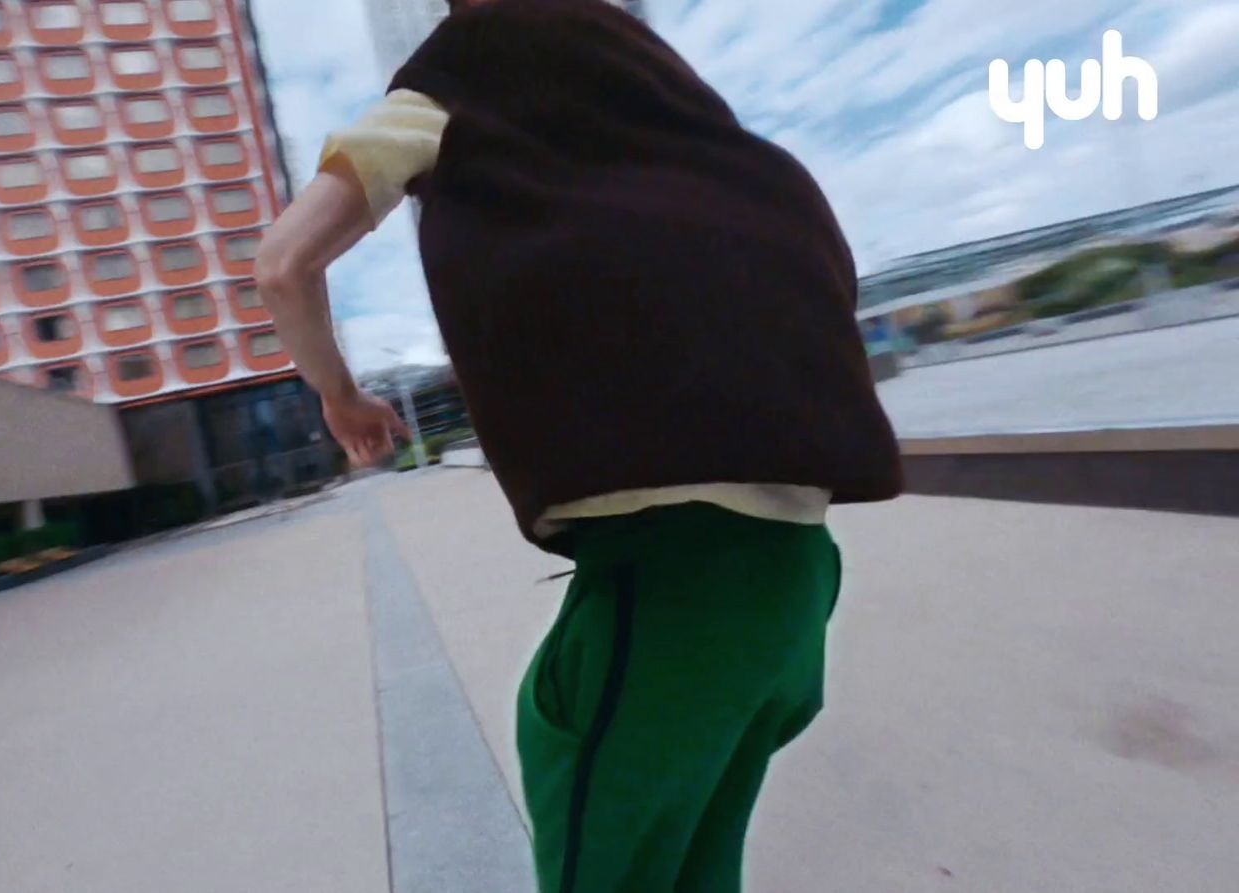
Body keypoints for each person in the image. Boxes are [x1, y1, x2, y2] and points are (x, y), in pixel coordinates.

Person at [254, 0, 902, 889]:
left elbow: (284, 264)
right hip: (796, 580)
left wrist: (340, 393)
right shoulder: (676, 108)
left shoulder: (455, 79)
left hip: (669, 585)